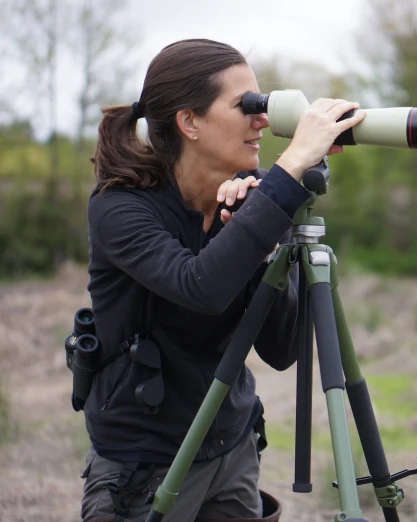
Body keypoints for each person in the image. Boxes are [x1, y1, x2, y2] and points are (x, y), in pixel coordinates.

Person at [78, 38, 366, 522]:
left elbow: (281, 350)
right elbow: (200, 287)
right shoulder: (120, 209)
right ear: (189, 122)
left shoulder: (241, 203)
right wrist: (291, 167)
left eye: (263, 105)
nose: (262, 120)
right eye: (246, 106)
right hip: (145, 464)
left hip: (231, 448)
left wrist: (263, 245)